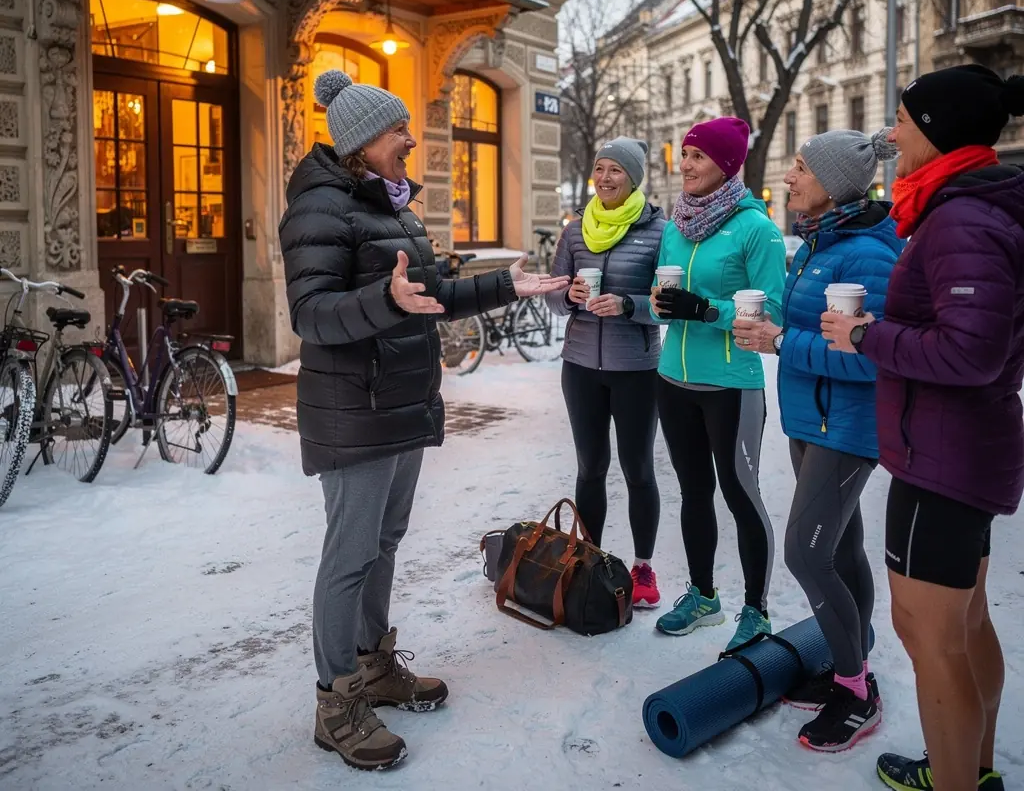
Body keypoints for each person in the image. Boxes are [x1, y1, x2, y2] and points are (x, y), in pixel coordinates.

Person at [278, 69, 568, 771]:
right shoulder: (319, 209)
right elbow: (310, 315)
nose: (411, 140)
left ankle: (374, 667)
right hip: (354, 408)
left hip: (402, 401)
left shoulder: (392, 207)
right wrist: (386, 300)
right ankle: (335, 701)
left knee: (384, 542)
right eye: (398, 130)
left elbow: (427, 293)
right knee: (349, 556)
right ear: (361, 142)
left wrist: (504, 286)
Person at [821, 65, 1024, 791]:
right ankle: (970, 769)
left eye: (902, 120)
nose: (892, 134)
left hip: (945, 454)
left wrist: (866, 336)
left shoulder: (962, 217)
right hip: (962, 449)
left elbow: (972, 351)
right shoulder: (970, 203)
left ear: (936, 132)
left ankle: (955, 781)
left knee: (929, 636)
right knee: (964, 627)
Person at [734, 128, 901, 752]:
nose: (788, 176)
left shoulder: (867, 257)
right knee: (842, 545)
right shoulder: (814, 246)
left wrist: (780, 342)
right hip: (811, 422)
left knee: (807, 554)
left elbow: (871, 360)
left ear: (832, 184)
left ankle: (857, 688)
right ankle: (847, 658)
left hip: (847, 427)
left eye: (800, 167)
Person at [650, 116, 787, 650]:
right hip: (673, 378)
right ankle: (704, 595)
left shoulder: (757, 229)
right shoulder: (675, 227)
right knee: (693, 492)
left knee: (741, 495)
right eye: (683, 155)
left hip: (732, 384)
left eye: (698, 157)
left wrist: (706, 309)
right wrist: (661, 306)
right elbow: (662, 301)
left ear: (727, 165)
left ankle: (756, 610)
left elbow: (773, 312)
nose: (685, 166)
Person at [546, 137, 666, 608]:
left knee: (638, 469)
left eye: (616, 169)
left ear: (633, 178)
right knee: (590, 468)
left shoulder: (659, 232)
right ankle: (588, 558)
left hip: (636, 369)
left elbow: (667, 306)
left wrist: (628, 305)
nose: (605, 177)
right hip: (579, 367)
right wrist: (568, 296)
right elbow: (554, 295)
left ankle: (643, 567)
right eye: (600, 167)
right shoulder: (576, 231)